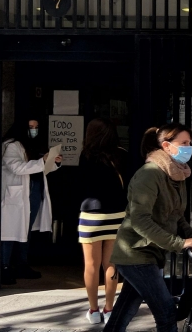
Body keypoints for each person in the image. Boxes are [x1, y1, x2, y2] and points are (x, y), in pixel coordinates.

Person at [104, 123, 192, 332]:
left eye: (189, 143)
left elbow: (175, 215)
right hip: (136, 253)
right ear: (166, 146)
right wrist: (178, 243)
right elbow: (139, 220)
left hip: (149, 253)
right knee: (166, 312)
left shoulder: (175, 174)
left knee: (123, 312)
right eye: (183, 143)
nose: (188, 147)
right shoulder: (150, 174)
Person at [78, 118, 129, 324]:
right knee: (111, 264)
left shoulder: (86, 156)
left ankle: (93, 310)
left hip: (91, 215)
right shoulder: (122, 155)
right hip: (117, 215)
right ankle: (109, 309)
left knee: (91, 265)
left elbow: (80, 184)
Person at [1, 115, 62, 285]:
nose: (33, 130)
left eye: (36, 126)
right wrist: (42, 161)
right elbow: (17, 167)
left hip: (33, 192)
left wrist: (53, 162)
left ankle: (22, 264)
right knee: (9, 232)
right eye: (30, 126)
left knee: (25, 230)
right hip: (16, 195)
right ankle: (4, 266)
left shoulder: (33, 145)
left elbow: (41, 168)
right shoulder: (11, 145)